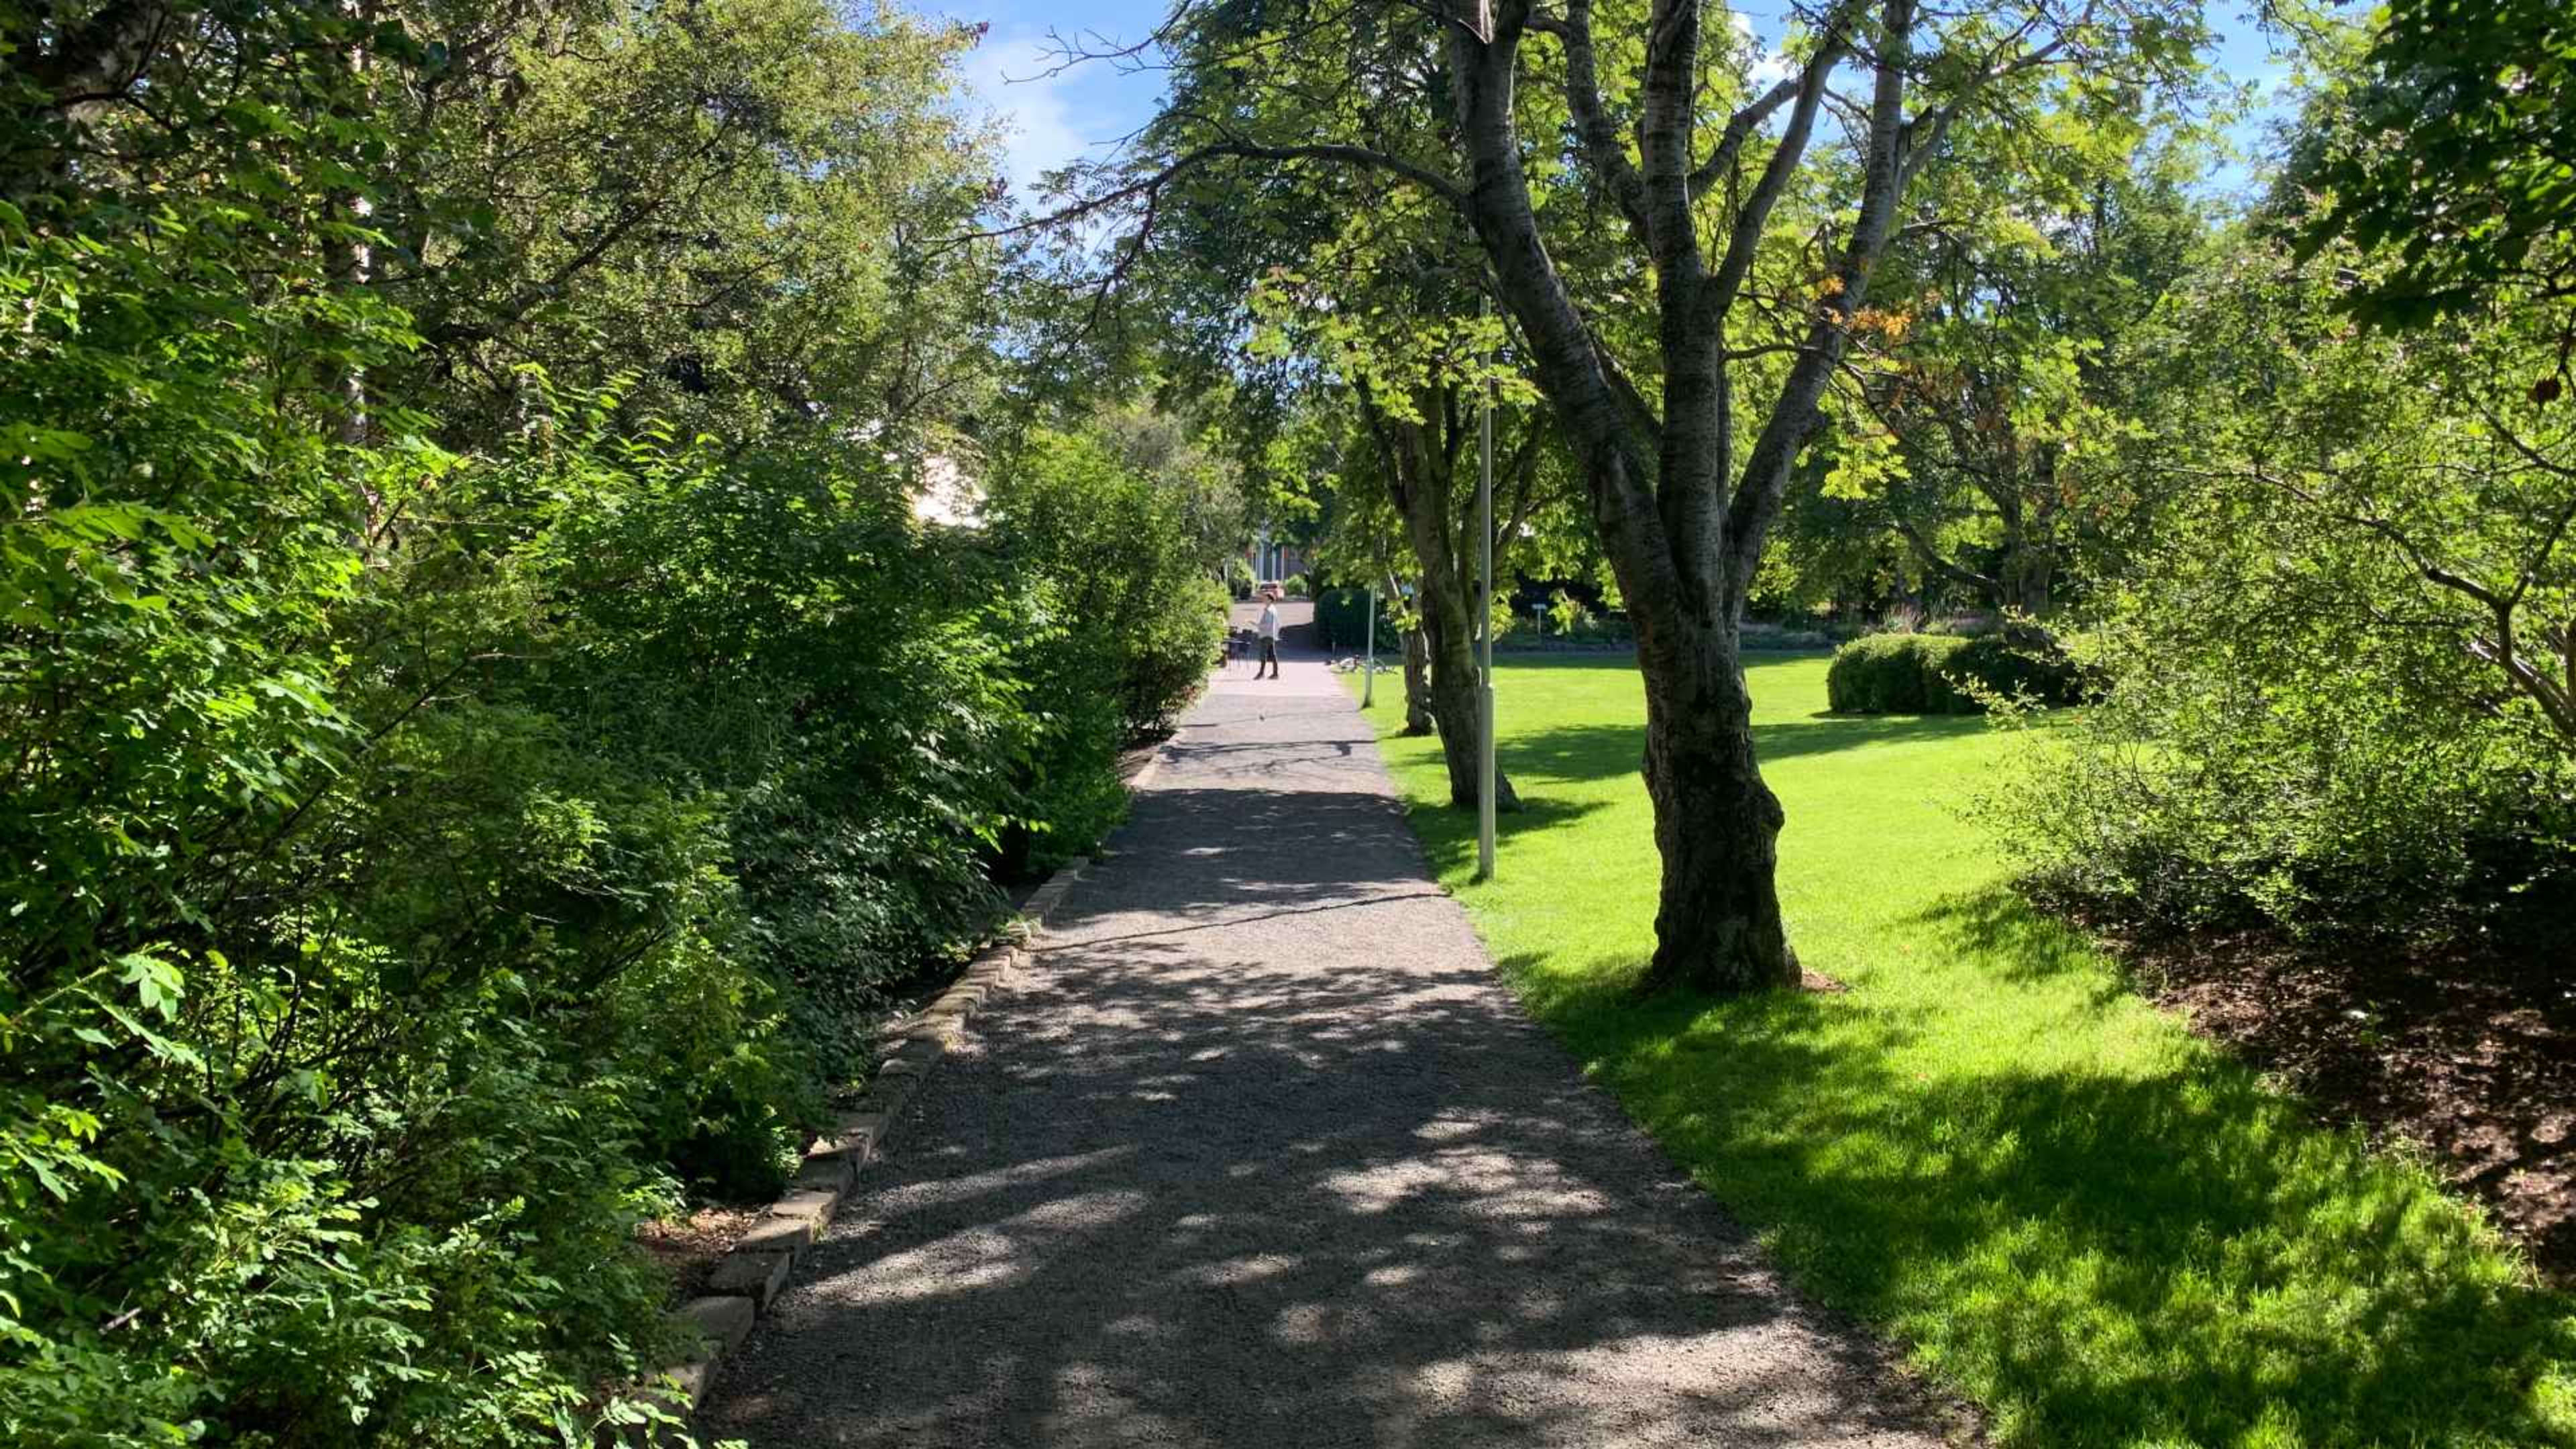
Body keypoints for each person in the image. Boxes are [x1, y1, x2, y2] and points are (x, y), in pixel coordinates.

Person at [1254, 594, 1281, 680]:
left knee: (1263, 653)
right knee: (1273, 654)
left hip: (1266, 634)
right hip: (1271, 634)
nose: (1263, 600)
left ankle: (1262, 673)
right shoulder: (1273, 609)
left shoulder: (1269, 610)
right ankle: (1275, 674)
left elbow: (1267, 625)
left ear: (1270, 600)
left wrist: (1257, 625)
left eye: (1265, 598)